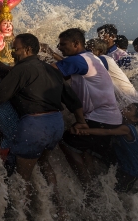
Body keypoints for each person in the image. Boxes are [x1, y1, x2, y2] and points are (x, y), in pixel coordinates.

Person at [0, 33, 85, 217]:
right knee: (44, 163)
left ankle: (23, 220)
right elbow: (72, 99)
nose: (13, 53)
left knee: (22, 177)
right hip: (56, 124)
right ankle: (59, 208)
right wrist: (81, 121)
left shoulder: (21, 70)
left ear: (27, 50)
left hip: (34, 127)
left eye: (15, 49)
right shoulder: (50, 69)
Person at [52, 28, 122, 195]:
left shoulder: (78, 60)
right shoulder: (90, 57)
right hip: (111, 119)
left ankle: (87, 187)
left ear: (76, 44)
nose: (59, 47)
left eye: (63, 44)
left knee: (66, 142)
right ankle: (95, 187)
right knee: (86, 151)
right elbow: (67, 75)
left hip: (99, 119)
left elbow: (43, 71)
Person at [73, 102, 138, 193]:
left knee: (120, 192)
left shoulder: (127, 128)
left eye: (128, 109)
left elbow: (106, 132)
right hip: (125, 163)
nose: (124, 108)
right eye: (127, 106)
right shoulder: (121, 124)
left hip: (133, 169)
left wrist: (85, 131)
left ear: (135, 119)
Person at [85, 38, 138, 112]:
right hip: (131, 94)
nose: (86, 52)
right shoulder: (109, 58)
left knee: (137, 114)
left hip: (127, 97)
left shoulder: (103, 59)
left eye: (89, 50)